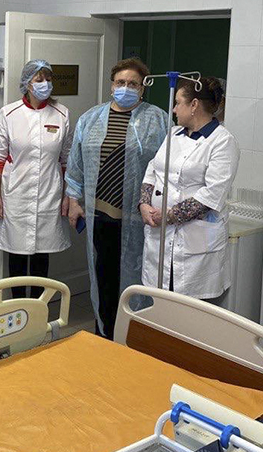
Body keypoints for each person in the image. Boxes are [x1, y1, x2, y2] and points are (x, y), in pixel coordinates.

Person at [65, 57, 170, 340]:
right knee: (104, 279)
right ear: (111, 86)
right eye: (121, 82)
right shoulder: (91, 119)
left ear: (142, 88)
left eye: (133, 84)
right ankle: (104, 335)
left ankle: (133, 338)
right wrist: (73, 201)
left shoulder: (158, 120)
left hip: (138, 218)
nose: (126, 88)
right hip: (99, 215)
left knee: (136, 281)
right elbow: (75, 166)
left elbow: (167, 168)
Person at [139, 77, 239, 302]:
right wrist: (144, 203)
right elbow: (152, 169)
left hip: (194, 242)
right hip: (159, 236)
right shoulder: (173, 134)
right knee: (159, 305)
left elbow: (212, 194)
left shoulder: (222, 141)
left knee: (189, 311)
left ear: (194, 105)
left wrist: (169, 215)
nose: (174, 110)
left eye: (177, 103)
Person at [0, 59, 72, 299]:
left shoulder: (61, 114)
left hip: (49, 194)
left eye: (48, 79)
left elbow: (67, 159)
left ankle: (37, 309)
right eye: (39, 79)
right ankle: (17, 308)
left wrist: (67, 196)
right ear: (27, 83)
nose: (45, 84)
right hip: (16, 195)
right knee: (16, 256)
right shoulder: (9, 113)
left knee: (41, 257)